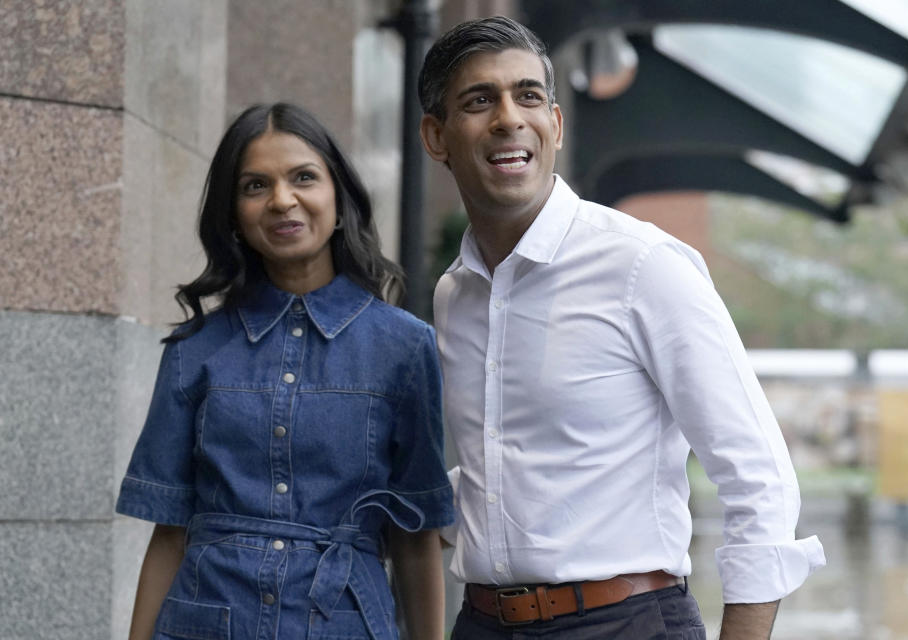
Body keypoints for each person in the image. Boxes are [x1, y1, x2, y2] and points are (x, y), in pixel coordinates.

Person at [418, 16, 825, 639]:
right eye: (479, 101)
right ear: (436, 136)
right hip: (482, 623)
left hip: (626, 623)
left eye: (528, 95)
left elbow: (759, 478)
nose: (508, 118)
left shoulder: (643, 267)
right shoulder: (456, 294)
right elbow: (502, 463)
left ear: (555, 125)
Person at [116, 103, 454, 640]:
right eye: (255, 186)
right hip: (205, 621)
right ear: (233, 216)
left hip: (343, 622)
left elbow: (416, 535)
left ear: (339, 201)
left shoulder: (405, 348)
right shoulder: (194, 349)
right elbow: (170, 531)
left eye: (303, 177)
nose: (281, 200)